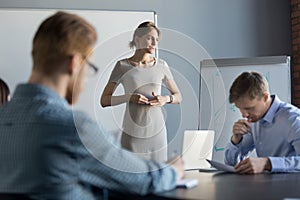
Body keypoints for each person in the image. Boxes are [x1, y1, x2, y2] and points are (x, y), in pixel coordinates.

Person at [0, 11, 184, 199]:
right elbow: (146, 180)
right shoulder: (74, 128)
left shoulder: (4, 117)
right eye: (90, 68)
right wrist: (174, 169)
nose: (87, 78)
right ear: (75, 63)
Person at [101, 21, 182, 162]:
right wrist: (129, 97)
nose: (154, 43)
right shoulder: (122, 66)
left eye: (156, 40)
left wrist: (165, 99)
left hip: (158, 134)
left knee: (158, 177)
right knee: (132, 176)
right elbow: (104, 100)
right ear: (137, 39)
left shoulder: (162, 65)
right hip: (132, 133)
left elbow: (178, 96)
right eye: (150, 38)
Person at [224, 71, 300, 174]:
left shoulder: (293, 119)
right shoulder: (255, 120)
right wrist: (236, 140)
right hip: (266, 187)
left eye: (249, 108)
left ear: (265, 97)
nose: (244, 115)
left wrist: (268, 163)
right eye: (240, 109)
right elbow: (231, 164)